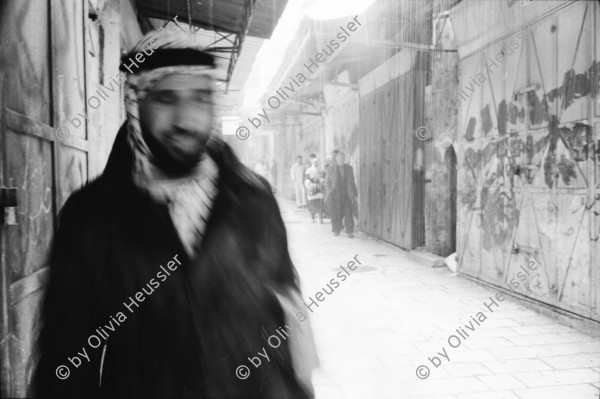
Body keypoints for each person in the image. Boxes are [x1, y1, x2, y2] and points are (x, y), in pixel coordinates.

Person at [33, 29, 316, 399]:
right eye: (167, 98)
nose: (186, 118)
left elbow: (287, 308)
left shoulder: (253, 198)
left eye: (200, 97)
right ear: (135, 102)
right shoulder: (91, 217)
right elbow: (66, 363)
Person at [325, 151, 358, 237]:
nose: (341, 159)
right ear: (336, 159)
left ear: (344, 159)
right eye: (339, 158)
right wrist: (330, 193)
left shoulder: (349, 168)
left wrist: (355, 194)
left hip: (347, 193)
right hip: (335, 193)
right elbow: (327, 182)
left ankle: (349, 231)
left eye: (342, 158)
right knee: (335, 212)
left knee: (348, 212)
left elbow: (352, 182)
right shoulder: (330, 169)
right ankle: (336, 230)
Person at [304, 158, 324, 223]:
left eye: (317, 162)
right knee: (312, 203)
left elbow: (322, 178)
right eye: (314, 162)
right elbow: (306, 179)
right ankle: (312, 217)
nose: (315, 163)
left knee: (320, 203)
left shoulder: (320, 170)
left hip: (319, 188)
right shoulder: (309, 170)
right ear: (312, 163)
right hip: (312, 188)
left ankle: (320, 218)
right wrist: (310, 184)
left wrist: (320, 180)